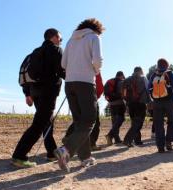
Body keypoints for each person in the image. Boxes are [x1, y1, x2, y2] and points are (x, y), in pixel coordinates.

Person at [54, 18, 104, 171]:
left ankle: (86, 157)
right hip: (86, 83)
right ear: (96, 29)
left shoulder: (70, 41)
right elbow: (97, 60)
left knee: (79, 123)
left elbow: (63, 64)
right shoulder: (94, 37)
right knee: (89, 120)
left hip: (70, 84)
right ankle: (65, 150)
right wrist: (95, 71)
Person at [12, 28, 65, 168]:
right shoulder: (56, 50)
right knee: (39, 124)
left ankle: (52, 153)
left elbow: (27, 74)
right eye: (60, 38)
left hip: (35, 92)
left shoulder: (35, 52)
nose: (61, 41)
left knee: (46, 122)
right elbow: (61, 71)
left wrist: (27, 93)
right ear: (54, 37)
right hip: (48, 91)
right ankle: (19, 155)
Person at [148, 58, 173, 153]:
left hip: (157, 102)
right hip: (170, 102)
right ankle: (168, 142)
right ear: (167, 65)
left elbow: (148, 89)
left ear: (157, 65)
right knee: (171, 122)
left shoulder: (153, 75)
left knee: (158, 124)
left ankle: (160, 146)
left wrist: (151, 101)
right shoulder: (171, 74)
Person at [64, 73, 104, 151]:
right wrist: (96, 96)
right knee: (93, 122)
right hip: (90, 95)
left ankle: (68, 137)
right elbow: (99, 85)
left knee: (78, 120)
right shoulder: (92, 67)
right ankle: (91, 143)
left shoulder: (75, 66)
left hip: (73, 90)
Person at [122, 67, 150, 147]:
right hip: (140, 103)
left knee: (134, 122)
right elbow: (148, 90)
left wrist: (126, 101)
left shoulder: (126, 80)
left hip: (130, 104)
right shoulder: (143, 78)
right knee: (138, 123)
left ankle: (136, 140)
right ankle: (127, 140)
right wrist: (150, 102)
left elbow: (123, 93)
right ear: (140, 71)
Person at [105, 71, 126, 145]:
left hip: (111, 104)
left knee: (114, 122)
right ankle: (110, 135)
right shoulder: (121, 82)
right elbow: (124, 94)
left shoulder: (110, 81)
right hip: (119, 104)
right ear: (121, 75)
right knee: (121, 119)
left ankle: (116, 139)